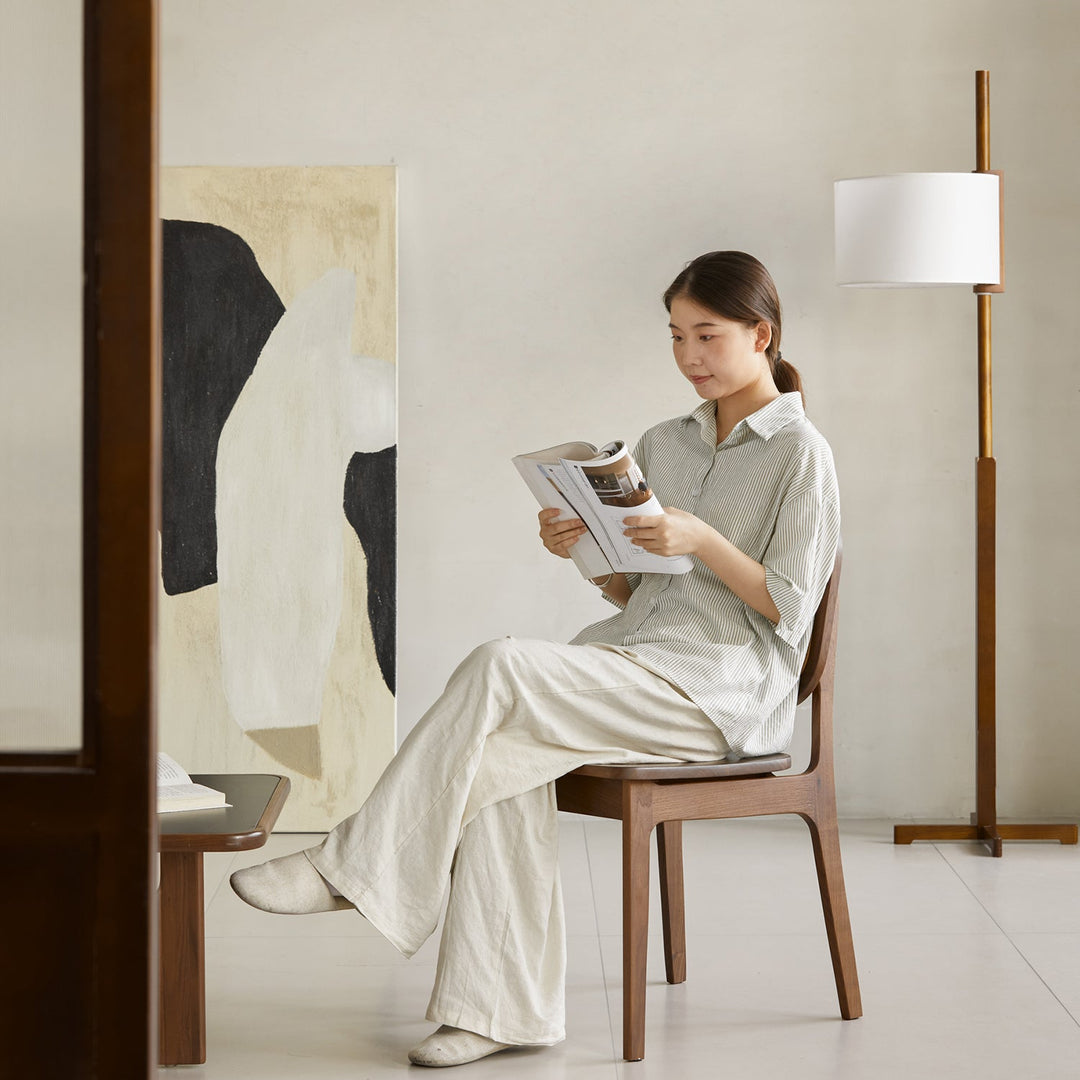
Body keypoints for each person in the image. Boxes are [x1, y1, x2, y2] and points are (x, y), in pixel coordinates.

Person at [230, 250, 840, 1067]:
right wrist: (583, 548)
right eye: (675, 337)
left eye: (707, 335)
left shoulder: (802, 455)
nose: (689, 356)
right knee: (493, 765)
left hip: (721, 692)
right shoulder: (666, 442)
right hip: (635, 663)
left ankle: (352, 868)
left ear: (761, 333)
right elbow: (640, 595)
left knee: (501, 662)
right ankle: (497, 1015)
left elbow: (791, 609)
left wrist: (702, 539)